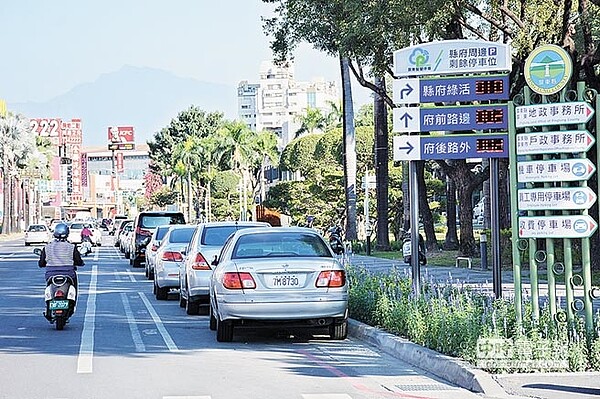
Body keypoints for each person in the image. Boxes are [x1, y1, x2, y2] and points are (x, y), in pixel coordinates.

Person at [38, 223, 84, 319]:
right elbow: (78, 260)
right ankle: (72, 304)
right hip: (69, 274)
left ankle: (48, 307)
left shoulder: (47, 247)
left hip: (50, 275)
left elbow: (41, 262)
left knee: (48, 286)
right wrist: (80, 263)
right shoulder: (71, 247)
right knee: (74, 288)